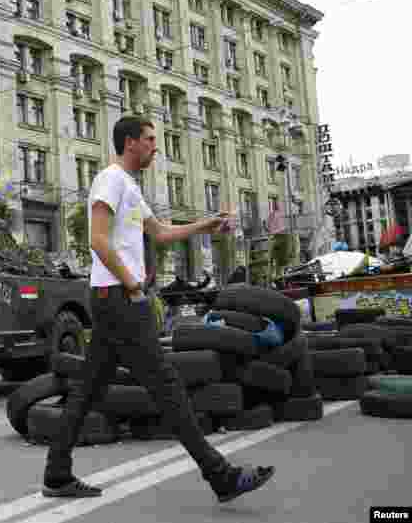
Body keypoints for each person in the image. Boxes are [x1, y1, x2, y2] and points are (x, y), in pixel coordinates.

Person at [42, 116, 275, 504]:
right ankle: (221, 476)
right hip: (118, 297)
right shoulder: (110, 179)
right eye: (150, 139)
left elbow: (161, 232)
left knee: (88, 388)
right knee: (166, 386)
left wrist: (205, 225)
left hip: (114, 299)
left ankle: (57, 472)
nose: (156, 146)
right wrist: (132, 283)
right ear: (130, 142)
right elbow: (98, 240)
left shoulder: (130, 186)